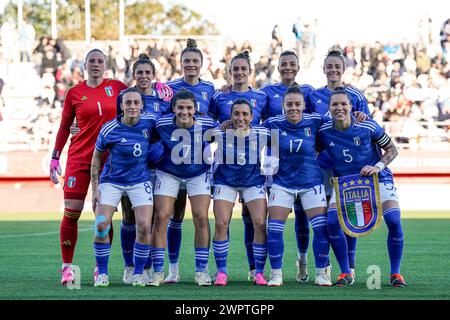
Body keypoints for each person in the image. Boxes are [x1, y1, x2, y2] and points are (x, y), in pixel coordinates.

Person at [49, 49, 128, 286]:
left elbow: (138, 107)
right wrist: (55, 156)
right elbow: (65, 126)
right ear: (84, 65)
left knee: (102, 216)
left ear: (106, 65)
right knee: (71, 211)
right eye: (91, 61)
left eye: (100, 61)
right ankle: (66, 268)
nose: (96, 64)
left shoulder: (118, 87)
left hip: (109, 162)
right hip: (80, 159)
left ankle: (99, 268)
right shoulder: (75, 93)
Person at [317, 89, 406, 287]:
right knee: (332, 222)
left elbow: (392, 149)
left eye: (343, 104)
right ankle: (345, 273)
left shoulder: (368, 125)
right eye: (335, 104)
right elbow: (311, 151)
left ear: (351, 107)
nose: (339, 108)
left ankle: (396, 273)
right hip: (346, 184)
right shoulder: (323, 132)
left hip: (377, 179)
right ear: (329, 108)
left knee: (393, 219)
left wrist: (377, 166)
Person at [308, 47, 371, 277]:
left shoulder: (356, 95)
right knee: (321, 218)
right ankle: (318, 266)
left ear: (343, 69)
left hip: (349, 168)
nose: (333, 69)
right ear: (323, 68)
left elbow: (366, 128)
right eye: (329, 66)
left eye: (337, 66)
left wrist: (363, 116)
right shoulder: (313, 95)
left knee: (348, 215)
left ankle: (349, 268)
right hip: (322, 166)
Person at [209, 51, 268, 281]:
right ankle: (222, 272)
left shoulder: (262, 102)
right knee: (222, 222)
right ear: (230, 71)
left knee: (260, 224)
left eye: (244, 68)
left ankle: (259, 272)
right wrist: (218, 127)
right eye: (236, 69)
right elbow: (204, 131)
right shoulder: (219, 98)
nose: (240, 72)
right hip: (225, 176)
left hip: (253, 177)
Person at [263, 85, 331, 287]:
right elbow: (249, 129)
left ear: (304, 105)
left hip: (311, 183)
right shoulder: (272, 123)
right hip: (282, 183)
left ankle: (321, 272)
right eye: (289, 104)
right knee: (274, 229)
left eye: (297, 104)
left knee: (320, 229)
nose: (293, 108)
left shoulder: (315, 120)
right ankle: (276, 273)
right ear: (283, 105)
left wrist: (359, 116)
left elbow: (340, 120)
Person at [91, 89, 158, 287]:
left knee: (145, 226)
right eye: (128, 103)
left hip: (140, 181)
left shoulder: (150, 123)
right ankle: (102, 273)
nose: (132, 106)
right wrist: (95, 187)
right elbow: (96, 158)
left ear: (141, 105)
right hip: (112, 181)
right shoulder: (109, 128)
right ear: (121, 106)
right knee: (101, 225)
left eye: (136, 103)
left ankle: (138, 273)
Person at [115, 54, 172, 285]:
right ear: (133, 75)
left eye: (148, 73)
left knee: (150, 219)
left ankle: (147, 266)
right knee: (129, 217)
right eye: (140, 73)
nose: (144, 76)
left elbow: (168, 129)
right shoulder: (124, 98)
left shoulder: (164, 101)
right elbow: (116, 129)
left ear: (154, 76)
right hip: (130, 168)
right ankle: (129, 266)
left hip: (157, 168)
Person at [149, 89, 216, 287]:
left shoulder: (207, 124)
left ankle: (201, 271)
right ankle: (158, 271)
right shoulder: (162, 124)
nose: (184, 111)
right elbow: (147, 135)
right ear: (173, 108)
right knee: (161, 217)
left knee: (201, 217)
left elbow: (226, 135)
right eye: (180, 107)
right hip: (168, 171)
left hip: (197, 172)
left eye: (188, 107)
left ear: (195, 109)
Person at [164, 39, 216, 284]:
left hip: (199, 166)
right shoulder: (169, 87)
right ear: (180, 63)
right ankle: (172, 269)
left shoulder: (210, 88)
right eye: (187, 61)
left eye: (195, 61)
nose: (191, 65)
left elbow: (217, 119)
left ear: (202, 64)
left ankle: (201, 270)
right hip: (173, 164)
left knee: (200, 217)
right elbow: (160, 116)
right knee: (174, 217)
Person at [261, 50, 314, 282]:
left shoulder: (309, 92)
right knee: (267, 220)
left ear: (298, 67)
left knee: (303, 218)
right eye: (284, 64)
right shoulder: (267, 92)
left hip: (303, 163)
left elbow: (318, 119)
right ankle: (261, 269)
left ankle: (302, 262)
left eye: (292, 64)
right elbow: (254, 119)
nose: (288, 67)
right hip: (275, 165)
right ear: (278, 66)